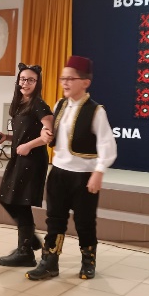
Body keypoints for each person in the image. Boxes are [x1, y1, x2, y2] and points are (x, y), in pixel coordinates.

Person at [26, 56, 117, 281]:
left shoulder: (96, 111)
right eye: (62, 78)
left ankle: (88, 261)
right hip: (58, 173)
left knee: (85, 221)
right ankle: (50, 262)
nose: (65, 83)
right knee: (54, 219)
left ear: (85, 82)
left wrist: (98, 172)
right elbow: (52, 132)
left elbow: (108, 145)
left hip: (83, 176)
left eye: (70, 79)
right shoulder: (60, 105)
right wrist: (45, 133)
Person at [0, 63, 53, 267]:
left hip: (32, 159)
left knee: (17, 200)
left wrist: (28, 145)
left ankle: (26, 251)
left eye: (31, 80)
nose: (26, 83)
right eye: (23, 79)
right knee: (8, 198)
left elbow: (50, 133)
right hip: (20, 156)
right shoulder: (20, 103)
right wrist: (6, 138)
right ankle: (29, 240)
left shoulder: (39, 105)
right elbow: (24, 133)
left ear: (37, 83)